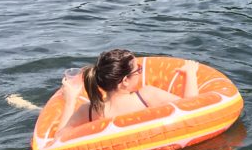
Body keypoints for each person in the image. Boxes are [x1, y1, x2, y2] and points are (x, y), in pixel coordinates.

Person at [56, 49, 199, 139]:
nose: (140, 73)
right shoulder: (148, 96)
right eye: (138, 70)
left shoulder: (90, 110)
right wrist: (191, 74)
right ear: (125, 80)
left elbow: (60, 137)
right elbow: (192, 107)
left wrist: (70, 101)